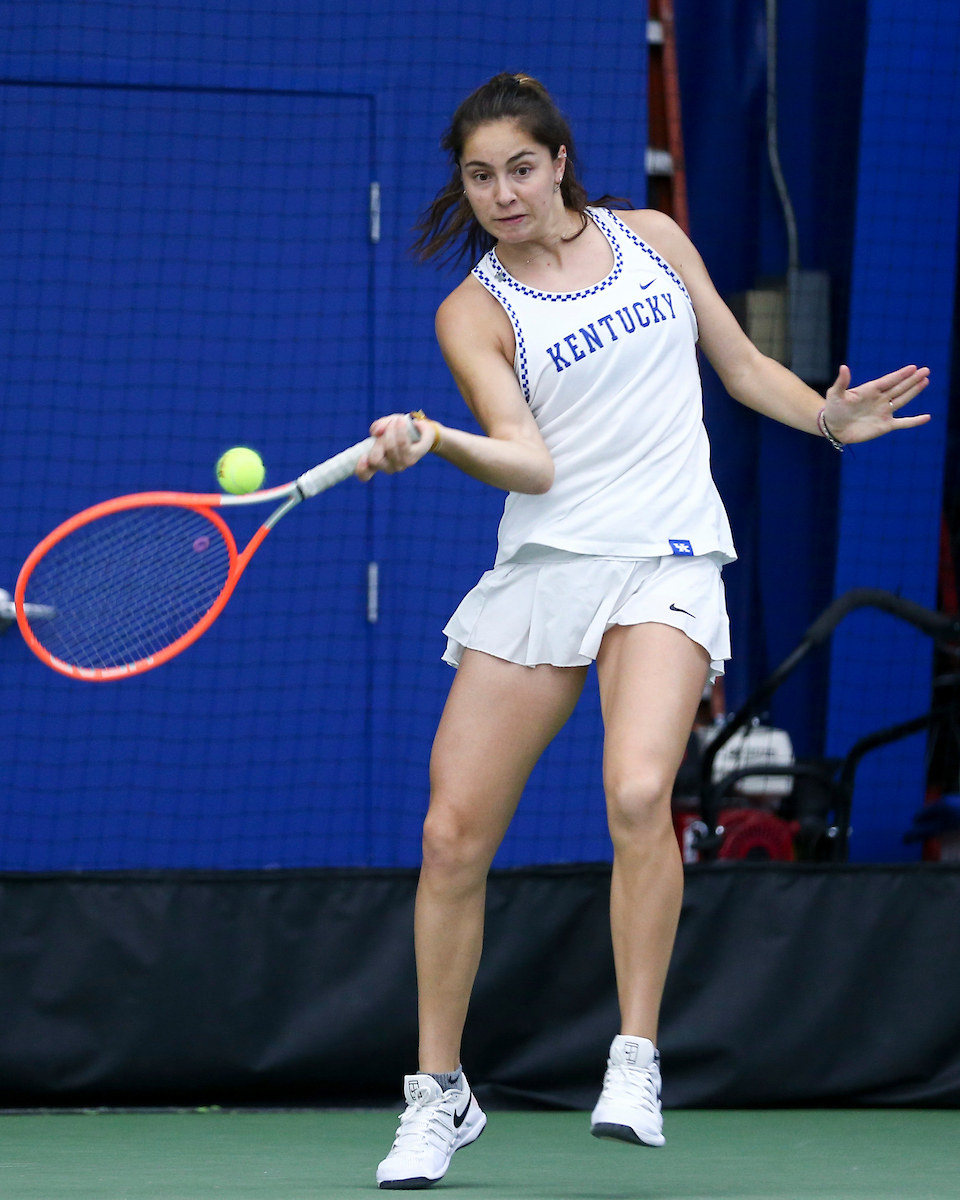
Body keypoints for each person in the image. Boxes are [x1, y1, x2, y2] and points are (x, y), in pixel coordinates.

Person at [358, 73, 930, 1191]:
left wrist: (826, 415)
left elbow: (742, 367)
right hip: (547, 566)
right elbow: (530, 461)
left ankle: (634, 1058)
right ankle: (438, 1095)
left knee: (635, 791)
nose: (503, 193)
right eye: (480, 176)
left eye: (522, 168)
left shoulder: (654, 239)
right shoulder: (473, 311)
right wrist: (440, 439)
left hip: (665, 555)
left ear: (561, 161)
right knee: (450, 837)